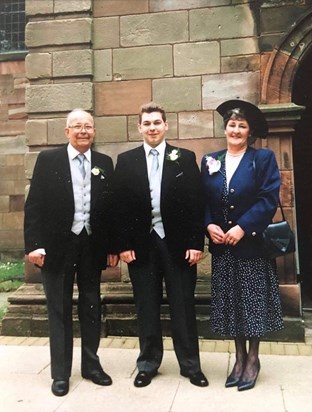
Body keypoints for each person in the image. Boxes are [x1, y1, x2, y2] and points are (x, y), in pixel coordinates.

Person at [24, 109, 118, 396]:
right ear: (67, 132)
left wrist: (112, 246)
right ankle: (61, 373)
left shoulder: (103, 162)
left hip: (91, 245)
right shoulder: (48, 160)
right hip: (56, 247)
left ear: (94, 131)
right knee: (59, 309)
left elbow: (111, 208)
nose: (83, 131)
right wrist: (34, 246)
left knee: (91, 306)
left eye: (88, 127)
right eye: (77, 127)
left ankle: (91, 365)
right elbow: (34, 205)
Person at [114, 102, 208, 388]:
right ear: (140, 128)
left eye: (157, 122)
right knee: (146, 306)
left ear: (166, 126)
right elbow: (119, 207)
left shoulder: (184, 157)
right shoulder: (126, 160)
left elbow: (196, 203)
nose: (152, 127)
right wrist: (123, 244)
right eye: (147, 123)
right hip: (141, 245)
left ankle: (191, 365)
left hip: (177, 244)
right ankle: (148, 363)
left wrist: (195, 243)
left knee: (183, 305)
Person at [201, 99, 284, 391]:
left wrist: (242, 227)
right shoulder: (211, 160)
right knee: (232, 303)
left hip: (250, 245)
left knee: (251, 302)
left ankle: (253, 359)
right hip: (223, 246)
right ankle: (237, 357)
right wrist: (208, 224)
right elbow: (203, 200)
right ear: (225, 129)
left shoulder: (262, 159)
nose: (235, 130)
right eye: (232, 125)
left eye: (242, 126)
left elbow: (268, 198)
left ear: (249, 132)